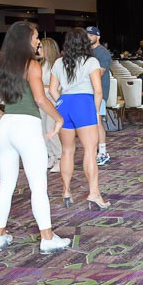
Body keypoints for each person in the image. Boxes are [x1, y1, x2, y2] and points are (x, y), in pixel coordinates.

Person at [0, 22, 70, 254]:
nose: (37, 41)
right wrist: (59, 118)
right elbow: (40, 99)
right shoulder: (32, 64)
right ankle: (47, 238)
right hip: (27, 127)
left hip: (5, 127)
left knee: (5, 185)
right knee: (38, 186)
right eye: (35, 37)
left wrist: (4, 116)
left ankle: (0, 236)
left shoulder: (0, 65)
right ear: (26, 39)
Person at [49, 28, 109, 210]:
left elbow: (52, 89)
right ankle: (94, 193)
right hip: (84, 103)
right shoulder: (91, 61)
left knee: (67, 151)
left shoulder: (59, 62)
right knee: (90, 150)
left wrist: (61, 102)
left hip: (64, 104)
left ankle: (66, 191)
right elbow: (98, 90)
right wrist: (95, 111)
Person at [86, 26, 112, 166]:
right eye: (87, 35)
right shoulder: (86, 52)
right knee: (91, 121)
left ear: (98, 36)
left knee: (97, 120)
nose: (88, 37)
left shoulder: (103, 53)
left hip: (98, 92)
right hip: (87, 91)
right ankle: (94, 150)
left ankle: (102, 152)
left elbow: (99, 73)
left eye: (91, 35)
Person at [39, 38, 62, 172]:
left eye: (41, 47)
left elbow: (58, 86)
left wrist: (44, 87)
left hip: (53, 101)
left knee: (51, 129)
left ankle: (59, 158)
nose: (38, 50)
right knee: (42, 129)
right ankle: (51, 155)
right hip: (42, 99)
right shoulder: (42, 64)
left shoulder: (57, 64)